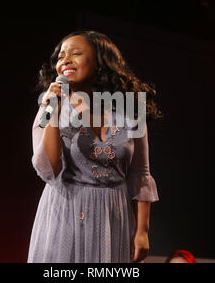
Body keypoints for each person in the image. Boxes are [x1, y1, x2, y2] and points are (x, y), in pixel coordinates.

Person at [27, 30, 162, 263]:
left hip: (114, 217)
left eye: (76, 53)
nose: (65, 60)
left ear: (101, 63)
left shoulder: (130, 110)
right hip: (65, 213)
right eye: (61, 56)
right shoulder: (49, 107)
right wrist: (54, 110)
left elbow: (141, 173)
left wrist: (142, 231)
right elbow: (49, 169)